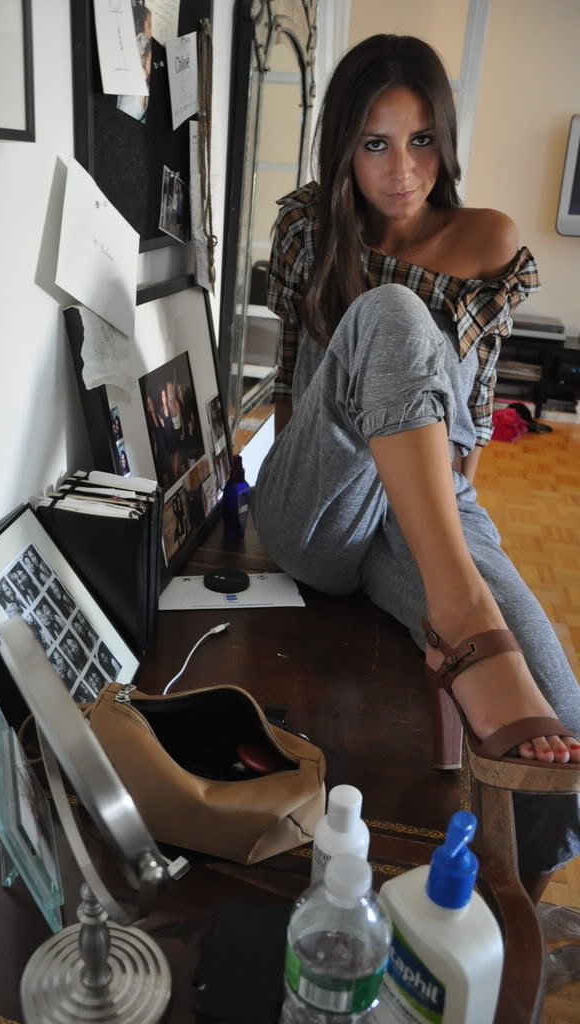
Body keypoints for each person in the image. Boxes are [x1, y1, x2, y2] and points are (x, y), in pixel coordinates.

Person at [253, 33, 580, 899]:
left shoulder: (487, 239)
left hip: (428, 512)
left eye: (422, 140)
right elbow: (290, 382)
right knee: (393, 313)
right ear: (343, 148)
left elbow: (475, 412)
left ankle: (506, 909)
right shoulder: (307, 227)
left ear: (447, 140)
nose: (402, 170)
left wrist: (452, 517)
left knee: (564, 724)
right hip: (322, 506)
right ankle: (461, 615)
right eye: (375, 143)